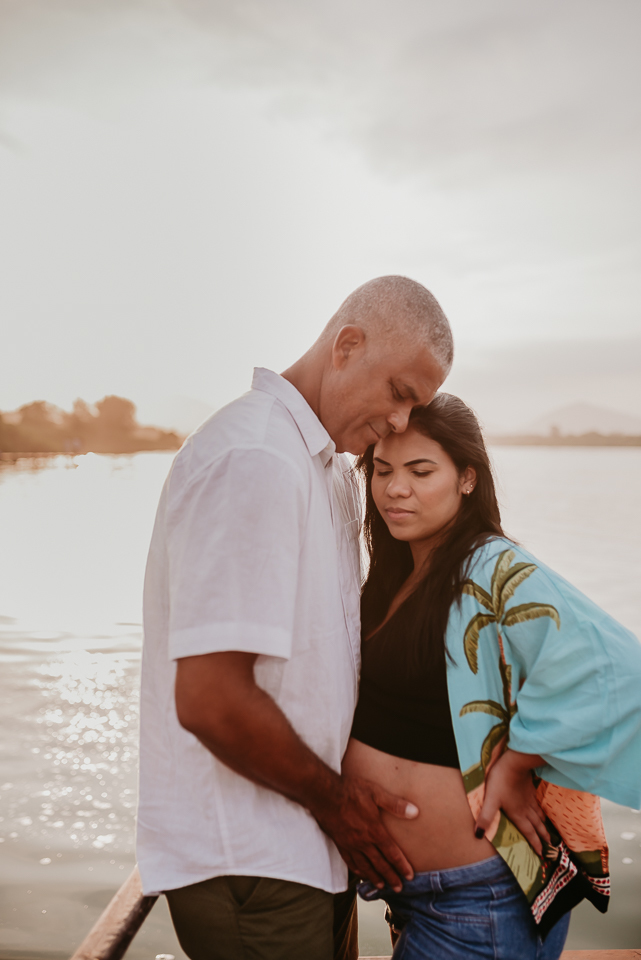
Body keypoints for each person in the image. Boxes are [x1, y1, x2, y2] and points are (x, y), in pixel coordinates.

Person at [136, 276, 454, 960]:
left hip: (305, 848)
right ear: (346, 345)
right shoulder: (255, 458)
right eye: (400, 393)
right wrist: (339, 808)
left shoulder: (322, 467)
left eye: (417, 406)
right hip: (255, 861)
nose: (402, 423)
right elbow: (210, 699)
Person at [343, 393, 641, 960]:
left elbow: (616, 671)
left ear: (468, 479)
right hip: (419, 899)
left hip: (478, 904)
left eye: (420, 471)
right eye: (381, 471)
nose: (395, 488)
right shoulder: (392, 575)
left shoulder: (492, 566)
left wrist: (517, 758)